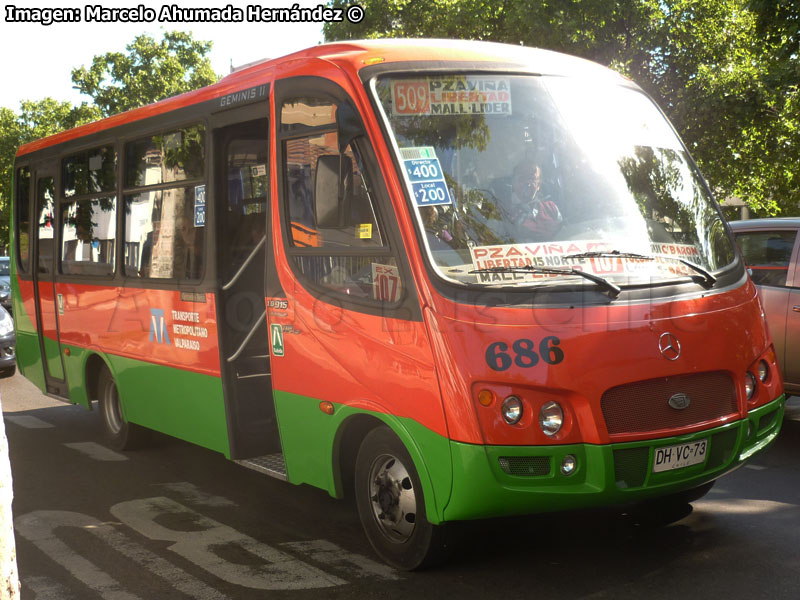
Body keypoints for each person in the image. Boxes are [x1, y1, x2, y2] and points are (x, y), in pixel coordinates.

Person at [502, 159, 562, 239]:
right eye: (522, 178)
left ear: (539, 185)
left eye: (532, 178)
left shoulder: (551, 208)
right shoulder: (501, 211)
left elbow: (564, 235)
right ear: (513, 183)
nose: (528, 183)